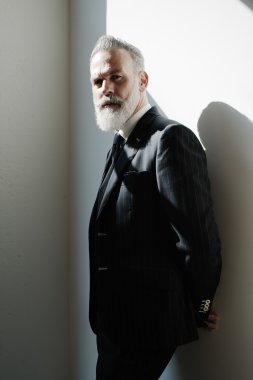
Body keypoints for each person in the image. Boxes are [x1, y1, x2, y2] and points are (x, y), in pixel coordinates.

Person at [89, 35, 222, 380]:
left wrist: (201, 305)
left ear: (142, 80)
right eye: (98, 81)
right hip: (113, 324)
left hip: (146, 327)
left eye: (116, 76)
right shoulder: (118, 146)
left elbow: (197, 240)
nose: (106, 88)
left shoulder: (170, 139)